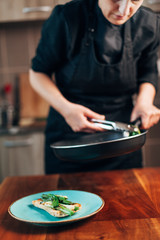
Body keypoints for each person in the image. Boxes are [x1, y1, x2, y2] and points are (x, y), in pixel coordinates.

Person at [29, 0, 160, 174]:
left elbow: (148, 71)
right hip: (70, 141)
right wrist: (66, 109)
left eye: (134, 0)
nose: (124, 10)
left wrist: (144, 102)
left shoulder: (148, 23)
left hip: (122, 144)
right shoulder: (67, 17)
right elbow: (37, 73)